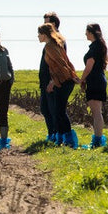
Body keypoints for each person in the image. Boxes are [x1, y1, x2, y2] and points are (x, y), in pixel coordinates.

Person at [37, 23, 80, 148]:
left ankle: (70, 140)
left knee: (60, 112)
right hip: (62, 81)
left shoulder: (50, 47)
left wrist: (57, 81)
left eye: (39, 34)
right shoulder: (55, 44)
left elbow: (62, 65)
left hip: (64, 81)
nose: (38, 36)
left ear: (44, 35)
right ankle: (61, 138)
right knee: (57, 111)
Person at [80, 23, 108, 147]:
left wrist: (81, 80)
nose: (85, 34)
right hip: (99, 80)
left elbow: (89, 67)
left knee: (96, 113)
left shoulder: (94, 48)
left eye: (86, 31)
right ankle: (98, 139)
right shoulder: (98, 46)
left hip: (95, 81)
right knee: (97, 112)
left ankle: (97, 141)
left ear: (91, 32)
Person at [39, 12, 64, 142]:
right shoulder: (50, 41)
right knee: (45, 108)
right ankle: (52, 133)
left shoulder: (58, 41)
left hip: (52, 82)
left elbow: (60, 64)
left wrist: (52, 81)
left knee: (53, 110)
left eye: (46, 22)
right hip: (45, 82)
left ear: (53, 24)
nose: (43, 25)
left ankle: (56, 134)